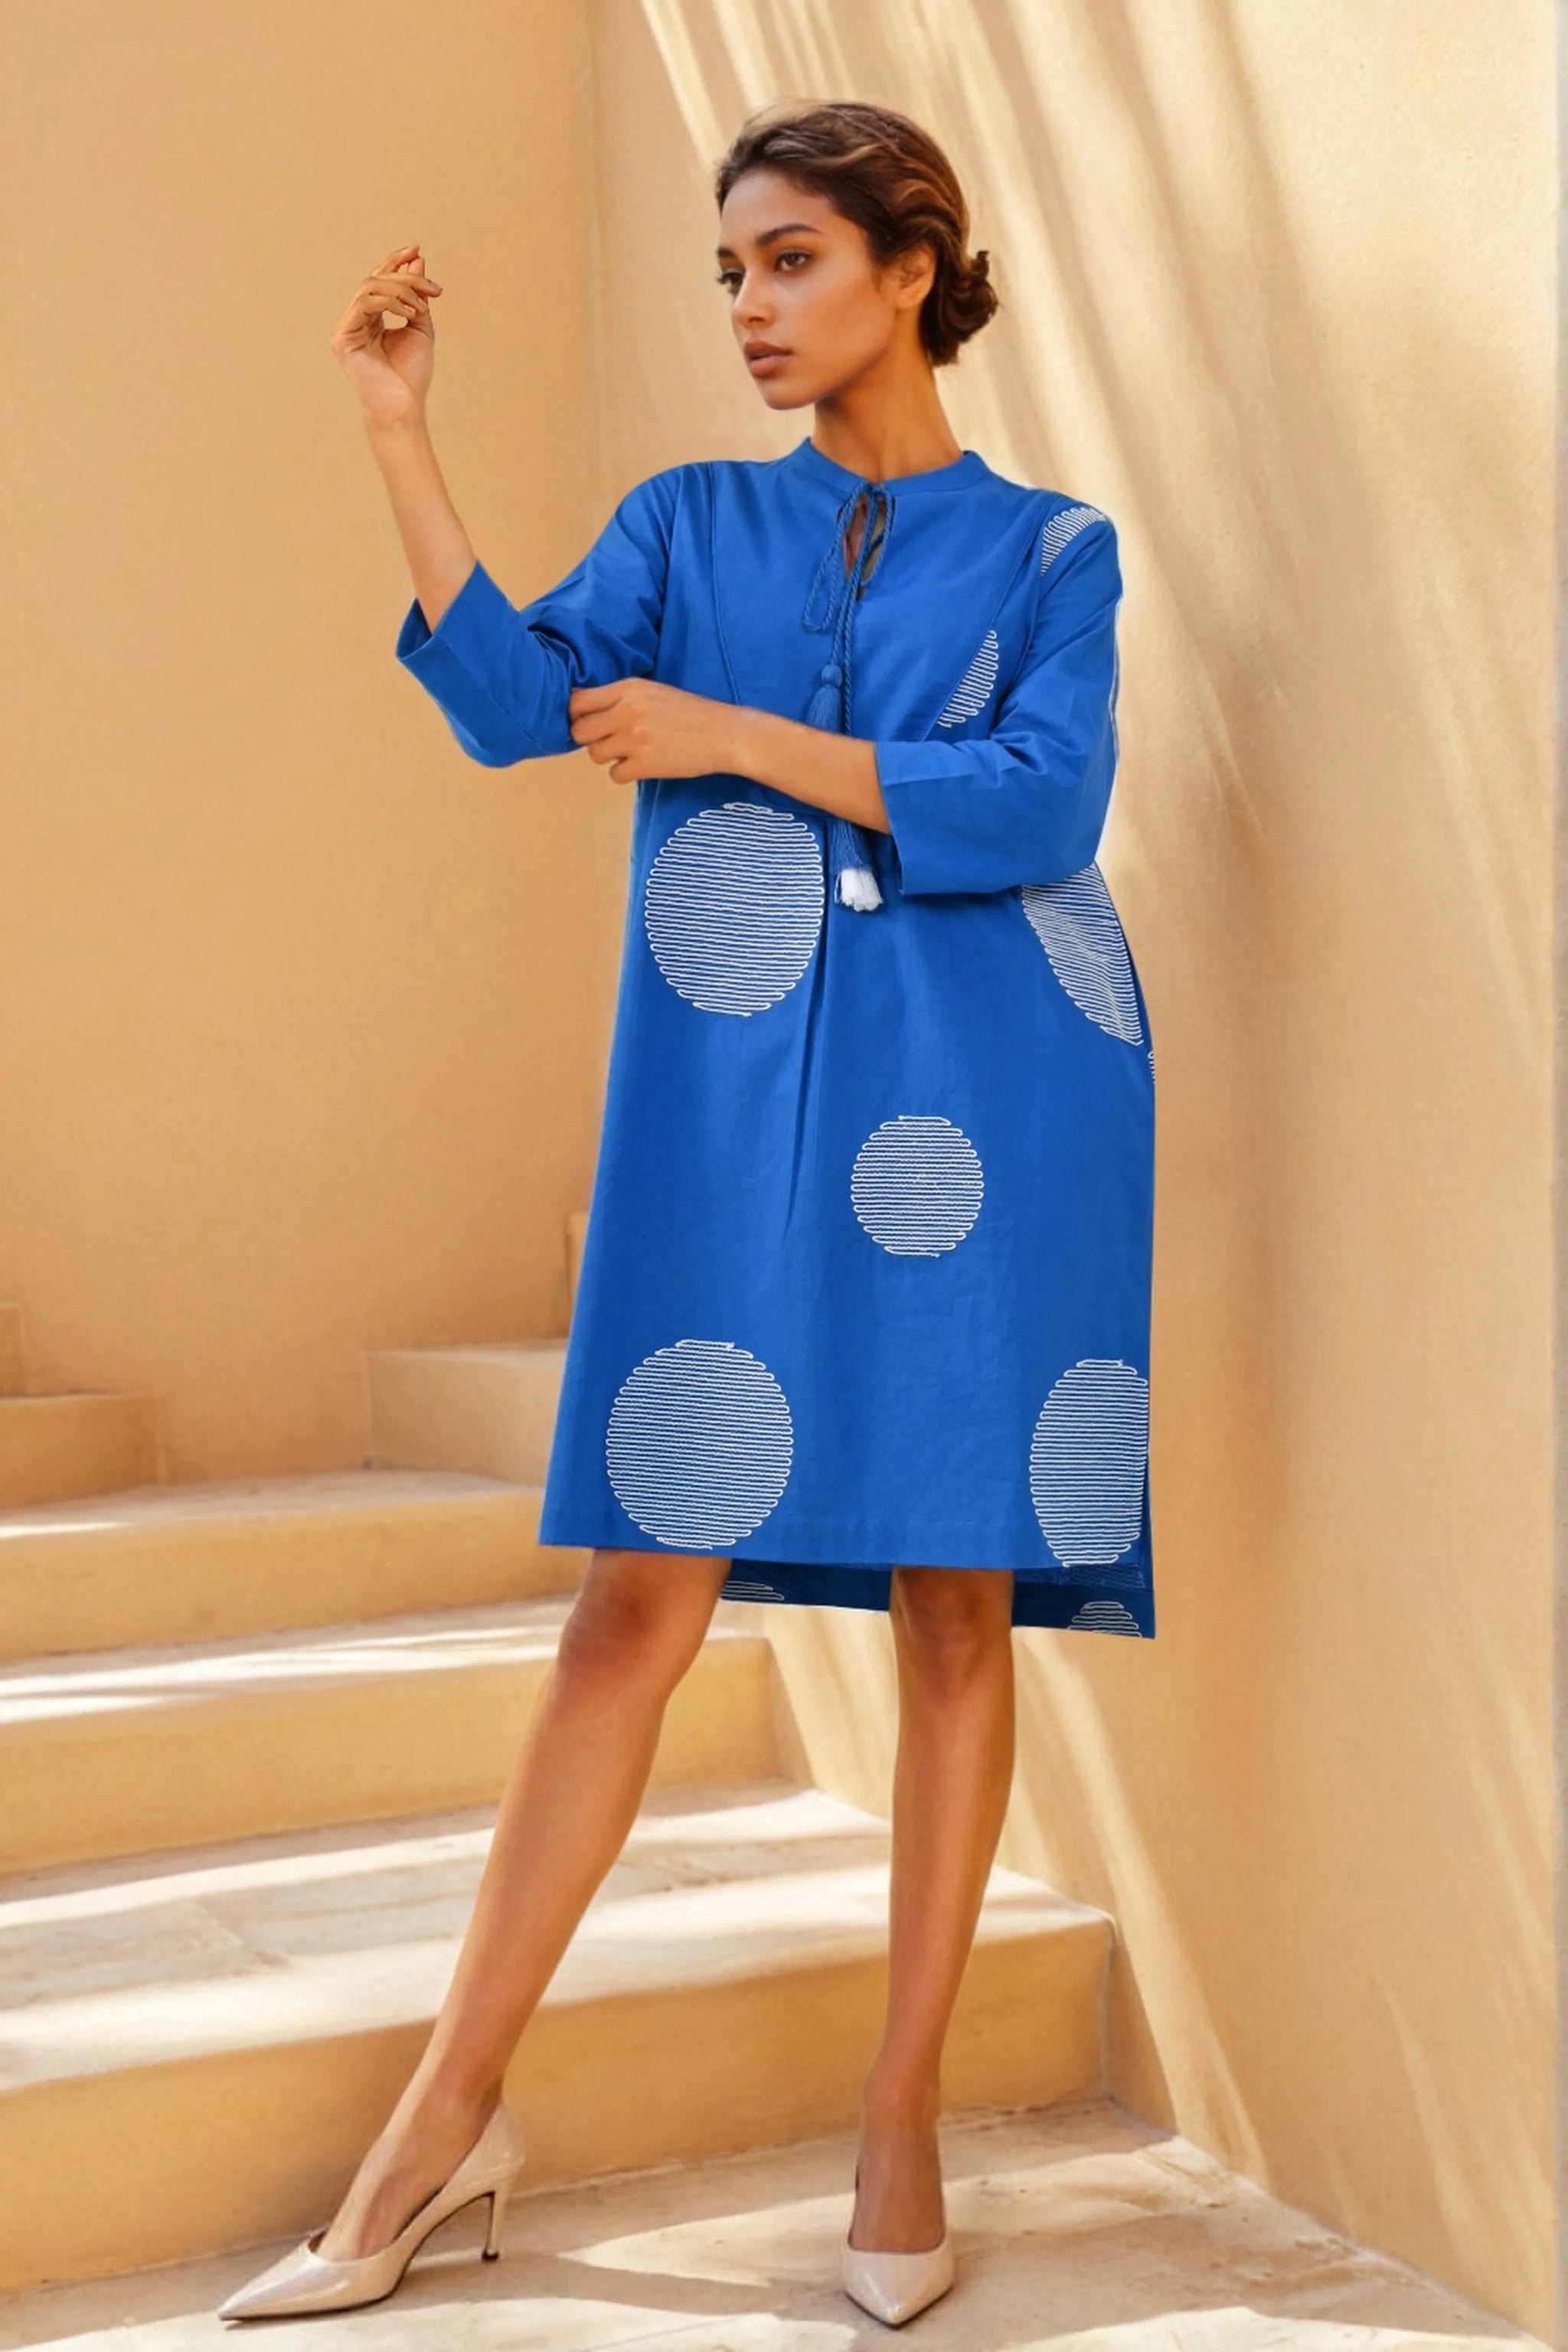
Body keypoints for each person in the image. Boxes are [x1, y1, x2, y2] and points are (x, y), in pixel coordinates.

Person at [218, 96, 1154, 2332]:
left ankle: (902, 2118)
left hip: (991, 1098)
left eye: (791, 260)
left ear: (911, 268)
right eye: (729, 269)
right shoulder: (686, 521)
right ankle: (443, 2118)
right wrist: (400, 432)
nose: (748, 305)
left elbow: (1044, 801)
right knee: (636, 1594)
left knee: (954, 1601)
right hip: (730, 1099)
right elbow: (512, 707)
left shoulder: (1052, 552)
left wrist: (733, 733)